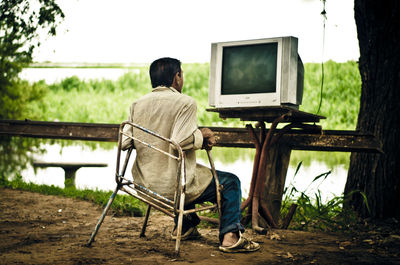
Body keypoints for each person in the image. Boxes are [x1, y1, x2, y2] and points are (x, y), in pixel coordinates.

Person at [121, 57, 259, 253]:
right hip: (173, 187)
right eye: (181, 74)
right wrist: (202, 135)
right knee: (230, 182)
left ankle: (184, 226)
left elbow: (126, 142)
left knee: (189, 172)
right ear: (177, 77)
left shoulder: (137, 104)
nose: (182, 78)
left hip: (145, 185)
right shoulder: (185, 103)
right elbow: (181, 141)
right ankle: (230, 237)